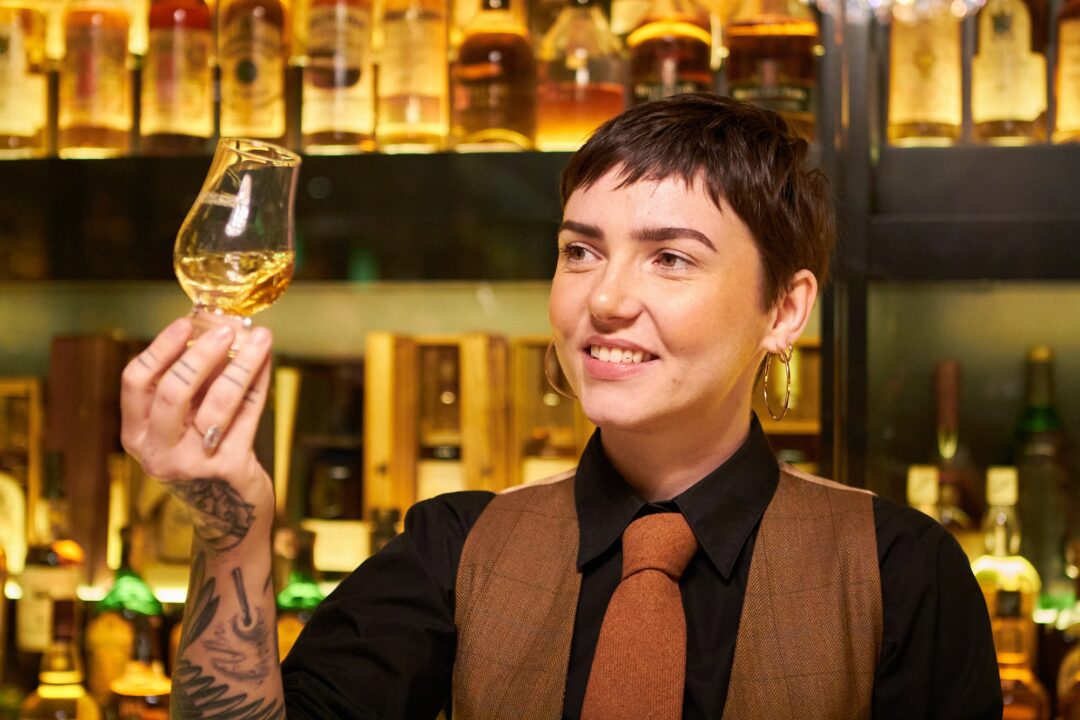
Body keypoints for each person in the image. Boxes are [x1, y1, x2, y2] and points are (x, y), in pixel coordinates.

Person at [120, 93, 1001, 720]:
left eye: (672, 258)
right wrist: (230, 521)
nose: (605, 299)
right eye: (581, 250)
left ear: (785, 309)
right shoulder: (452, 550)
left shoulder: (902, 573)